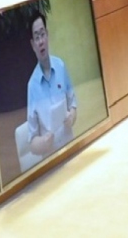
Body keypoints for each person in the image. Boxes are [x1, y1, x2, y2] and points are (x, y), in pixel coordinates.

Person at [25, 8, 77, 158]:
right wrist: (43, 142)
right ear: (33, 44)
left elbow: (73, 105)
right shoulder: (32, 86)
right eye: (37, 37)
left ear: (47, 36)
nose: (41, 41)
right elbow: (32, 143)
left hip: (71, 148)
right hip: (50, 160)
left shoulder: (60, 66)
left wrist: (71, 117)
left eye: (42, 34)